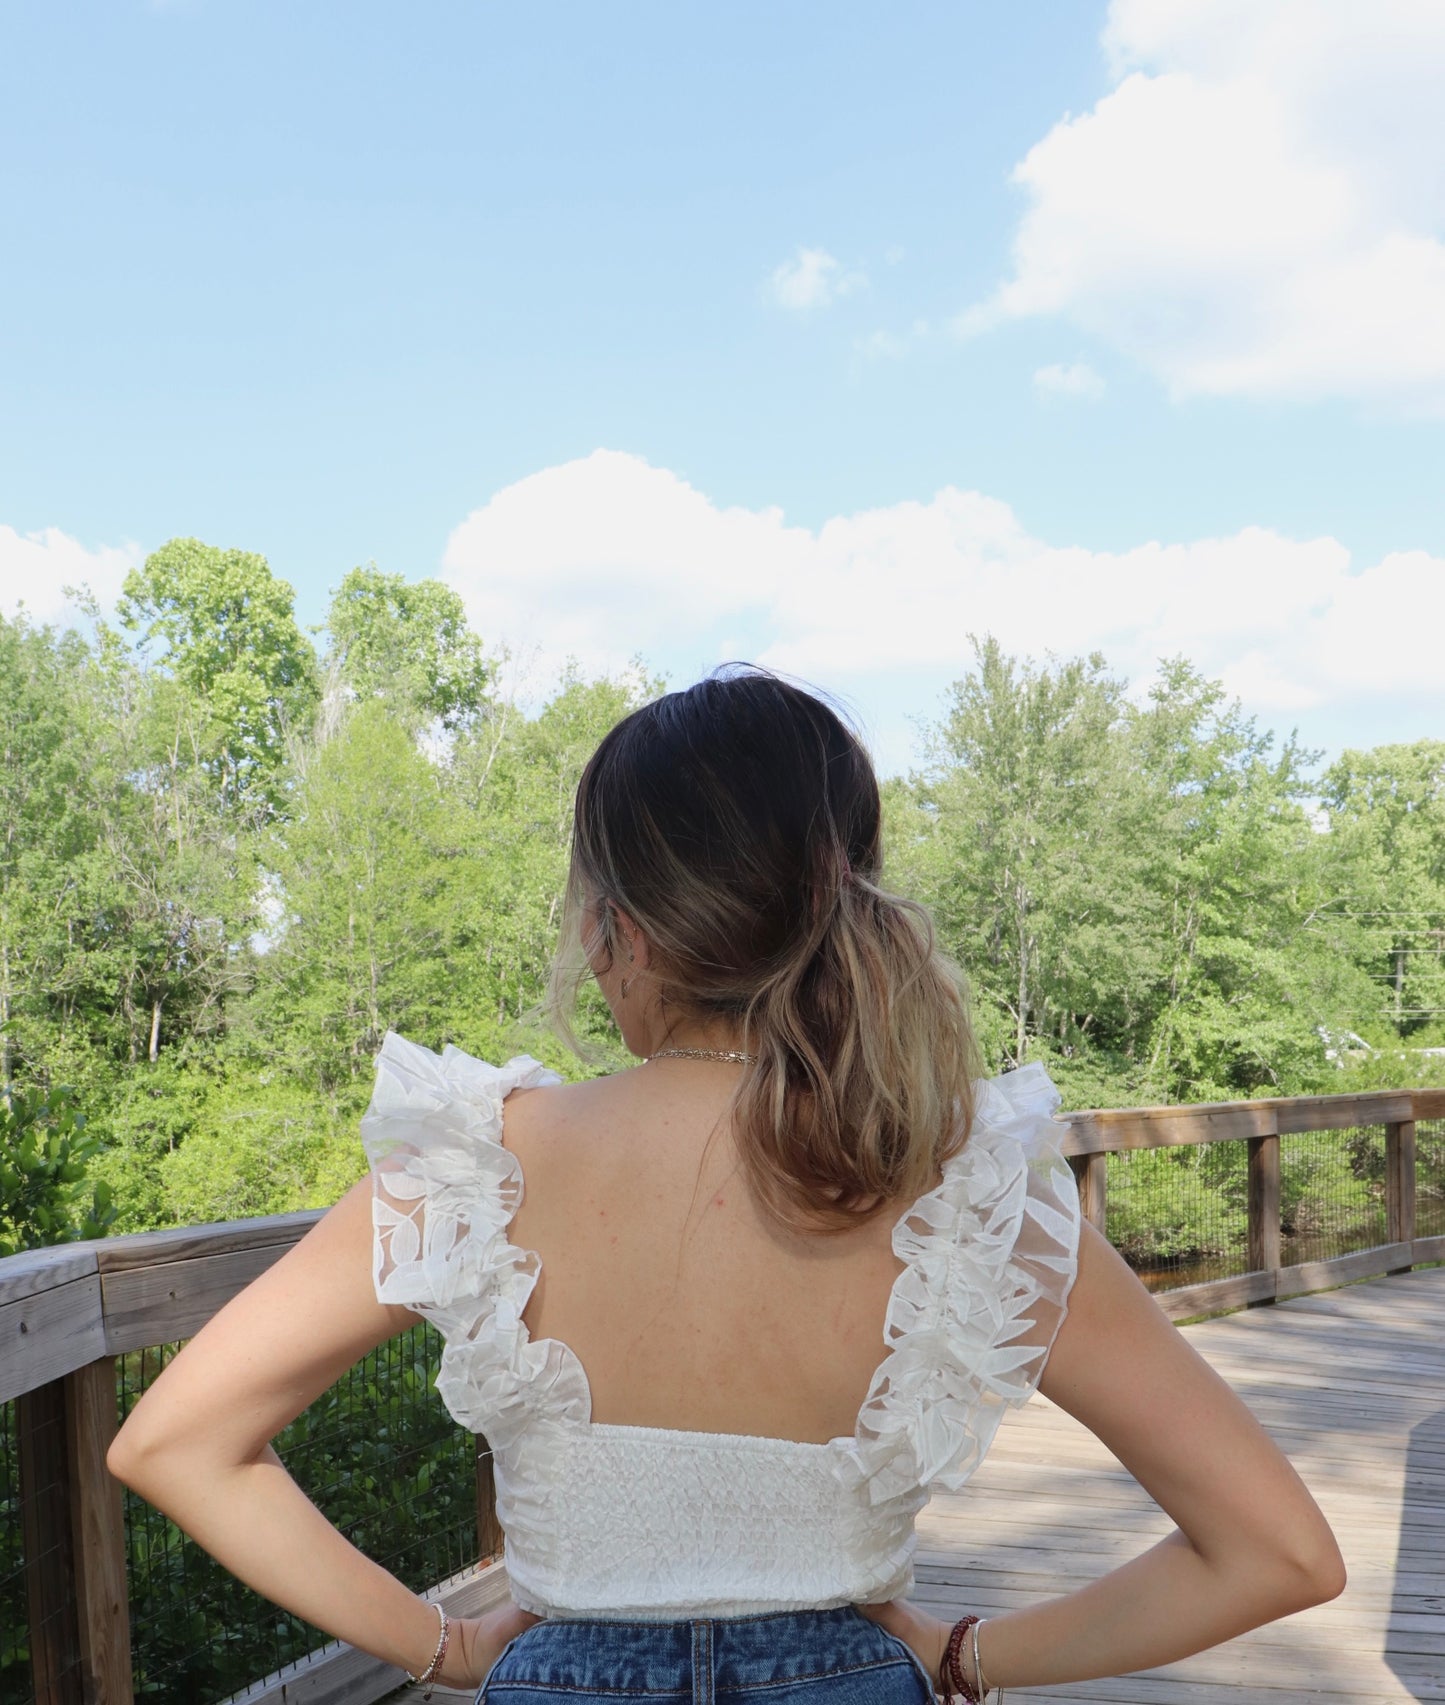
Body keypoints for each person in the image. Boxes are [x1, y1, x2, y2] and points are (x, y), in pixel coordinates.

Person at [108, 667, 1345, 1705]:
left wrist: (443, 1647)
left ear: (617, 928)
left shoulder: (474, 1164)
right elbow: (1276, 1552)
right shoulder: (964, 1189)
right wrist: (968, 1656)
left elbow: (176, 1443)